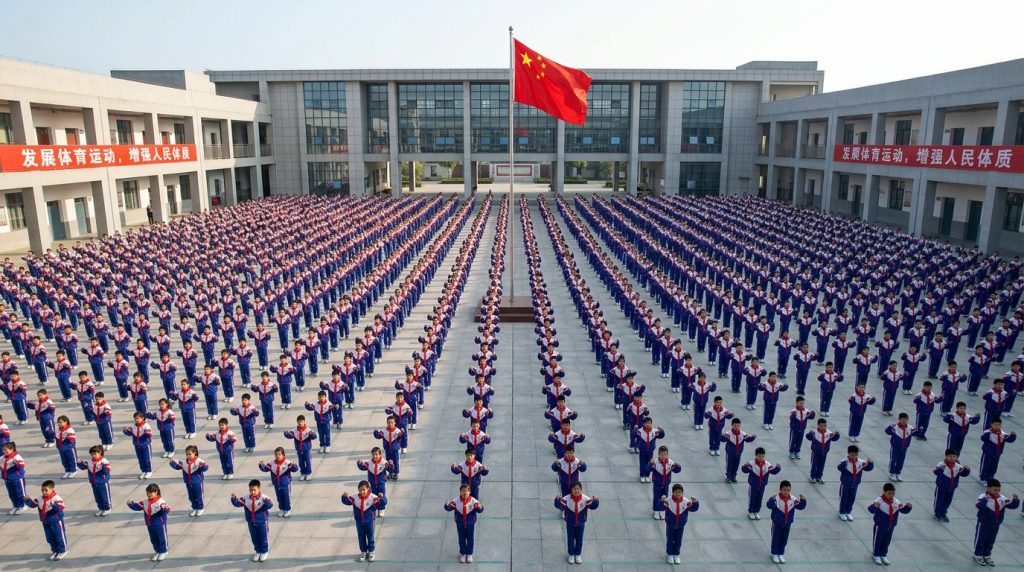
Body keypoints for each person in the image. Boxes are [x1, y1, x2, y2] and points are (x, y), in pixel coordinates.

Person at [973, 479, 1020, 566]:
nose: (997, 492)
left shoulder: (1002, 498)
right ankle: (978, 555)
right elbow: (978, 505)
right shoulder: (983, 497)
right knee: (981, 539)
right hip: (984, 523)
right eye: (995, 490)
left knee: (991, 540)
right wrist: (985, 500)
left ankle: (987, 555)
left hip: (996, 523)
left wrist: (1015, 500)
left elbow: (1011, 505)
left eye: (998, 490)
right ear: (988, 488)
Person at [866, 483, 912, 565]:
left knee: (887, 541)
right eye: (889, 493)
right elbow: (871, 510)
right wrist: (875, 506)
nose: (891, 495)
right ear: (884, 492)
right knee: (878, 540)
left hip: (890, 525)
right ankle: (876, 554)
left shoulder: (896, 502)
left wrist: (908, 507)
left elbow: (902, 509)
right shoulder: (879, 500)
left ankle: (883, 554)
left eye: (893, 493)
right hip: (880, 525)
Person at [554, 481, 599, 565]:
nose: (576, 490)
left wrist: (596, 501)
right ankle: (571, 554)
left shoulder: (585, 499)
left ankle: (578, 554)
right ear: (571, 490)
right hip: (570, 523)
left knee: (579, 540)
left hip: (581, 523)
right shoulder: (566, 499)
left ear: (581, 490)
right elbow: (559, 506)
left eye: (578, 489)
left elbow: (593, 506)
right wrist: (557, 500)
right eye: (574, 489)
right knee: (570, 539)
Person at [230, 479, 274, 562]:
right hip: (251, 522)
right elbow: (238, 504)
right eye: (250, 490)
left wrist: (266, 501)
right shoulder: (246, 498)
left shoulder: (263, 498)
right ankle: (258, 551)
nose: (252, 492)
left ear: (259, 488)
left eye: (254, 490)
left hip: (262, 522)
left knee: (263, 537)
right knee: (254, 538)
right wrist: (234, 499)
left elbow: (270, 506)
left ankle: (264, 551)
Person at [127, 483, 171, 562]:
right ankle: (157, 551)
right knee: (153, 539)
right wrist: (131, 504)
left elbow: (168, 509)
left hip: (159, 525)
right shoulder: (145, 502)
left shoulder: (161, 502)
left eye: (151, 492)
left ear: (156, 492)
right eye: (147, 493)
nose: (149, 494)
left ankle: (163, 551)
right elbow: (138, 506)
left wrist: (163, 509)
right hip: (150, 524)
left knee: (161, 538)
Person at [24, 480, 66, 560]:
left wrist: (54, 506)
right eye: (42, 490)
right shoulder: (40, 498)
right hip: (46, 521)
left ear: (52, 489)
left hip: (55, 521)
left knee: (59, 536)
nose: (44, 492)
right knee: (50, 537)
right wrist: (28, 500)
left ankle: (62, 551)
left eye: (46, 490)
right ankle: (55, 550)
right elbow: (33, 504)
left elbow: (61, 508)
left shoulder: (56, 498)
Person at [766, 480, 806, 564]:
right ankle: (774, 553)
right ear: (780, 489)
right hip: (777, 523)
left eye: (788, 490)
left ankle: (780, 553)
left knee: (784, 539)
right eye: (784, 490)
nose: (786, 492)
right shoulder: (776, 498)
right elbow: (769, 506)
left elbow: (800, 506)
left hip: (787, 523)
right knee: (775, 538)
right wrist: (771, 499)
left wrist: (803, 500)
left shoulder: (792, 499)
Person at [341, 480, 381, 562]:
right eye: (360, 490)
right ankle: (363, 552)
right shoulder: (355, 498)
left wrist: (382, 498)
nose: (362, 492)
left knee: (370, 537)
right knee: (361, 537)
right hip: (359, 522)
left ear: (368, 489)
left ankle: (371, 552)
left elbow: (380, 504)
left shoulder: (373, 497)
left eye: (364, 489)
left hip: (370, 522)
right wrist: (344, 497)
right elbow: (347, 501)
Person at [444, 483, 484, 563]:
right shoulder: (456, 501)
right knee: (461, 539)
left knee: (470, 539)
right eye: (463, 491)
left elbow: (480, 510)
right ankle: (463, 554)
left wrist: (480, 507)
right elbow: (449, 508)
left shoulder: (473, 501)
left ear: (469, 492)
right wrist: (446, 505)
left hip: (470, 524)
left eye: (466, 491)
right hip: (460, 524)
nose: (464, 493)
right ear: (460, 492)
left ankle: (469, 554)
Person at [661, 483, 698, 565]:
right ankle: (670, 554)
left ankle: (676, 554)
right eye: (676, 492)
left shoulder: (686, 501)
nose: (678, 494)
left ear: (682, 493)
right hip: (670, 525)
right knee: (670, 540)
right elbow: (662, 507)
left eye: (680, 492)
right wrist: (662, 500)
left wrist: (695, 502)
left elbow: (693, 509)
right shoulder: (668, 500)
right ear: (673, 492)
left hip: (680, 525)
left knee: (678, 540)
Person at [741, 447, 781, 520]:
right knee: (752, 498)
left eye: (762, 456)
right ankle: (751, 511)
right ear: (756, 456)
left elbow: (773, 471)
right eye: (759, 456)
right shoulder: (752, 464)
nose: (761, 458)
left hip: (762, 485)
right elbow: (745, 471)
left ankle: (756, 511)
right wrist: (745, 466)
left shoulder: (767, 464)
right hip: (753, 485)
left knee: (759, 499)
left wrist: (778, 468)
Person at [169, 445, 208, 517]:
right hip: (188, 483)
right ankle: (194, 508)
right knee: (191, 497)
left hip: (197, 483)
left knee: (199, 496)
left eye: (190, 454)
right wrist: (172, 463)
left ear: (194, 453)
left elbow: (205, 468)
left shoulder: (199, 461)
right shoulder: (184, 463)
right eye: (187, 454)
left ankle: (200, 508)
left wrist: (202, 466)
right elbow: (177, 467)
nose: (188, 456)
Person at [258, 446, 298, 518]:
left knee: (286, 497)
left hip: (285, 484)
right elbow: (265, 469)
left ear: (283, 455)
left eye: (279, 454)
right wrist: (261, 465)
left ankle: (287, 509)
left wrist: (293, 465)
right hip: (277, 484)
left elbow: (295, 470)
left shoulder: (287, 463)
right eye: (276, 454)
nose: (278, 456)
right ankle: (281, 509)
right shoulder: (272, 463)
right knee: (279, 497)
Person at [836, 445, 874, 521]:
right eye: (852, 454)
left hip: (855, 484)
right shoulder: (845, 461)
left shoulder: (861, 462)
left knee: (852, 498)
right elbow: (839, 468)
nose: (854, 456)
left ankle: (848, 512)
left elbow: (868, 468)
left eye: (856, 454)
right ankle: (842, 512)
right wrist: (843, 465)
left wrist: (870, 463)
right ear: (848, 454)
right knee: (844, 498)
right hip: (845, 484)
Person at [932, 448, 970, 523]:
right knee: (939, 500)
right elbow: (936, 472)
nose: (952, 458)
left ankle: (943, 513)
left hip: (951, 487)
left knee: (948, 501)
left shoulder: (958, 466)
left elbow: (963, 474)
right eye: (950, 456)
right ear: (946, 456)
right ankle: (937, 513)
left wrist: (966, 470)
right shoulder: (941, 464)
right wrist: (941, 469)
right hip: (941, 486)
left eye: (954, 456)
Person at [884, 413, 921, 481]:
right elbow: (887, 431)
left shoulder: (909, 428)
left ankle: (898, 474)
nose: (904, 421)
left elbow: (915, 433)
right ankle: (891, 473)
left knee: (901, 461)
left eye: (906, 419)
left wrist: (919, 430)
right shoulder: (895, 427)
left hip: (904, 448)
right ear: (899, 419)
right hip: (895, 447)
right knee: (893, 460)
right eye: (903, 419)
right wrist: (890, 426)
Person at [356, 447, 393, 516]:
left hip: (381, 484)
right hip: (372, 484)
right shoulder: (369, 463)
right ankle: (373, 509)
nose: (375, 456)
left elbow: (390, 470)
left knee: (381, 497)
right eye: (373, 454)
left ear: (380, 455)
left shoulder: (384, 463)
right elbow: (363, 467)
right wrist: (359, 464)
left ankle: (381, 509)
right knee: (372, 497)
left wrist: (391, 465)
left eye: (376, 454)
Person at [76, 445, 111, 517]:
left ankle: (107, 508)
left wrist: (103, 467)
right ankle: (101, 508)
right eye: (92, 454)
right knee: (97, 496)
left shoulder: (104, 461)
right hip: (94, 482)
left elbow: (107, 471)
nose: (94, 456)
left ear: (99, 453)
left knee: (105, 495)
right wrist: (79, 463)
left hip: (102, 482)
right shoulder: (90, 462)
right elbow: (83, 467)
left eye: (95, 454)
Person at [978, 417, 1016, 482]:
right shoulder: (987, 432)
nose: (997, 426)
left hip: (997, 453)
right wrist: (988, 434)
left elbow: (1009, 439)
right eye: (995, 424)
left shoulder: (1003, 434)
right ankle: (983, 478)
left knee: (994, 467)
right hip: (988, 452)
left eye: (999, 425)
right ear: (991, 424)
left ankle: (990, 478)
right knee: (985, 465)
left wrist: (1013, 435)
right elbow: (982, 438)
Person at [649, 446, 681, 520]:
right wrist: (650, 464)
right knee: (657, 496)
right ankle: (656, 510)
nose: (663, 456)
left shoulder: (670, 462)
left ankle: (663, 510)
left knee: (665, 497)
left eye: (665, 454)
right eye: (662, 454)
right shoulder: (655, 462)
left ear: (667, 454)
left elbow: (677, 470)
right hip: (657, 483)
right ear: (658, 454)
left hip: (666, 483)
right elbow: (649, 469)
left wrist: (676, 466)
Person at [805, 418, 840, 484]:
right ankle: (812, 476)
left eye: (825, 425)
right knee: (814, 464)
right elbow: (808, 438)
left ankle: (819, 477)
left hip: (824, 452)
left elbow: (834, 439)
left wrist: (837, 435)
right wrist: (809, 434)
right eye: (821, 425)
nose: (823, 427)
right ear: (818, 425)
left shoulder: (829, 433)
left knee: (821, 464)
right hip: (815, 451)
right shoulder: (814, 432)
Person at [722, 417, 756, 483]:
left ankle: (733, 477)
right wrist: (722, 436)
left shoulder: (742, 434)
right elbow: (723, 440)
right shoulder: (728, 433)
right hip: (730, 453)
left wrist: (753, 437)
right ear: (732, 426)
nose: (737, 427)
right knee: (729, 465)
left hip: (738, 453)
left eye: (738, 426)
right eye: (735, 426)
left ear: (740, 426)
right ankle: (728, 477)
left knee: (736, 465)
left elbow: (748, 439)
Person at [283, 415, 317, 480]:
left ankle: (308, 473)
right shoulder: (294, 430)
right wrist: (286, 433)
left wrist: (312, 434)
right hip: (299, 449)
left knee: (308, 462)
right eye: (298, 422)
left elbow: (314, 437)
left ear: (304, 421)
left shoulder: (308, 430)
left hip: (307, 449)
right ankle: (303, 473)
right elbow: (289, 436)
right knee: (301, 462)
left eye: (301, 421)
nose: (300, 423)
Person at [122, 411, 153, 480]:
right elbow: (130, 433)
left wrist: (147, 433)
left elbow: (149, 434)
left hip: (145, 445)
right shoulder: (133, 426)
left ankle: (149, 471)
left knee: (147, 458)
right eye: (135, 418)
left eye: (137, 418)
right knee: (140, 459)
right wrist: (126, 431)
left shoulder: (146, 425)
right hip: (137, 444)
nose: (136, 420)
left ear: (142, 418)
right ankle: (143, 471)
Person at [1, 441, 27, 514]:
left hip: (17, 479)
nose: (4, 451)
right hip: (8, 479)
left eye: (6, 450)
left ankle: (22, 505)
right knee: (11, 494)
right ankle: (15, 505)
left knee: (20, 493)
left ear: (12, 449)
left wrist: (16, 463)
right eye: (3, 450)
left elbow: (22, 466)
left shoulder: (16, 457)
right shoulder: (2, 458)